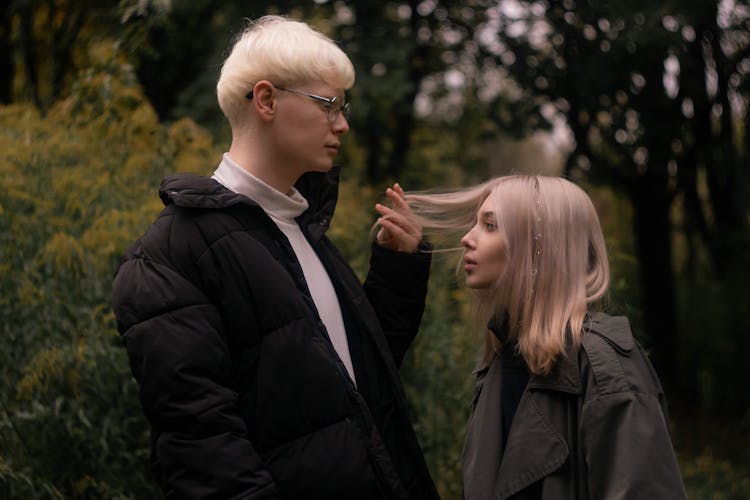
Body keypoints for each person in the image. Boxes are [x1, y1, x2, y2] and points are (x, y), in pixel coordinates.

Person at [111, 15, 439, 500]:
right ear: (266, 100)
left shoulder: (305, 233)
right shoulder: (169, 256)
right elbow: (205, 455)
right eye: (329, 105)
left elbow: (349, 394)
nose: (343, 124)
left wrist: (397, 273)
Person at [403, 175, 687, 499]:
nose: (467, 238)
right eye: (475, 224)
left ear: (538, 247)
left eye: (490, 225)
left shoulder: (604, 365)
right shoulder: (502, 358)